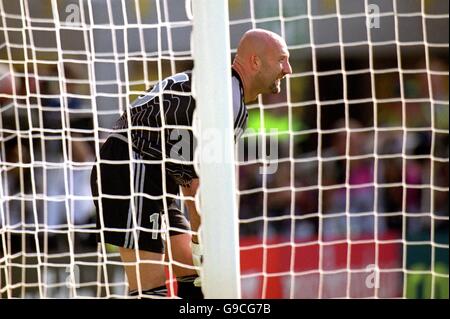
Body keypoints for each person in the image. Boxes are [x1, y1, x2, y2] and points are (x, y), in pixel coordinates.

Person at [90, 28, 292, 299]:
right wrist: (207, 245)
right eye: (282, 59)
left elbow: (188, 173)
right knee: (151, 286)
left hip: (156, 176)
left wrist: (201, 244)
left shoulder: (225, 93)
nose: (288, 69)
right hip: (128, 167)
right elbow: (197, 184)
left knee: (193, 273)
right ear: (255, 61)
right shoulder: (224, 100)